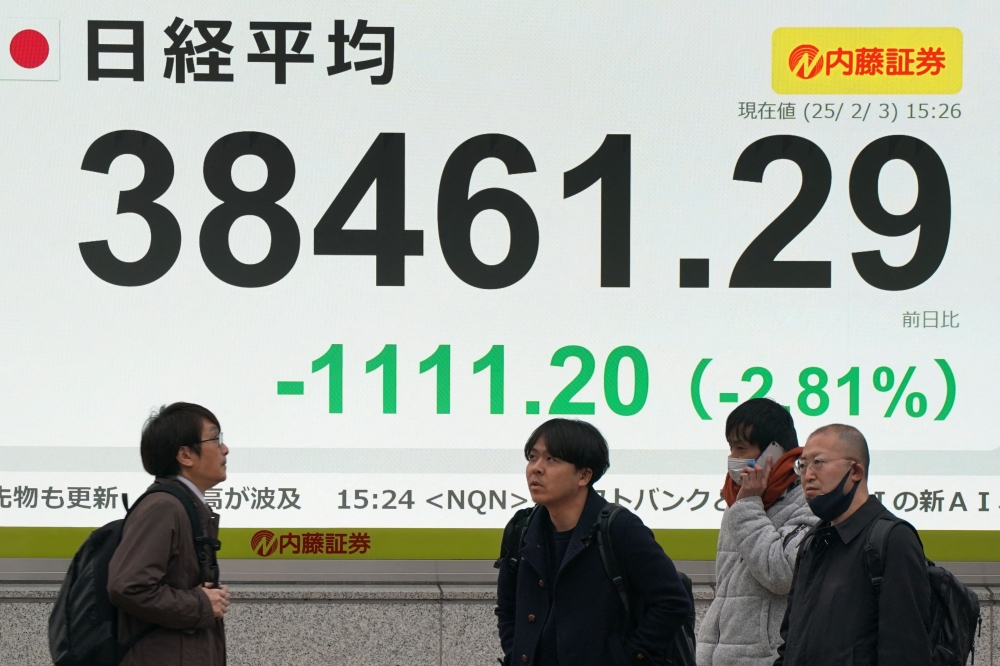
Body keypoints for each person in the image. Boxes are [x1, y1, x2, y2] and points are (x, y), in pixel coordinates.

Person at [495, 418, 692, 665]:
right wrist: (516, 654)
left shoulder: (620, 529)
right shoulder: (522, 528)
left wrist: (629, 658)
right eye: (532, 457)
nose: (536, 468)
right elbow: (507, 608)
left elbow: (672, 603)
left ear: (584, 475)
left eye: (552, 459)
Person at [774, 424, 931, 665]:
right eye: (802, 465)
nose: (807, 475)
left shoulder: (892, 539)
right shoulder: (812, 542)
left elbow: (905, 651)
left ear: (856, 471)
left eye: (818, 462)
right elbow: (790, 644)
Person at [697, 398, 818, 666]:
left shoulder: (806, 502)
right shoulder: (739, 503)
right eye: (730, 448)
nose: (733, 459)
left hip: (767, 659)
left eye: (741, 448)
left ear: (773, 452)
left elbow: (782, 575)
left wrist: (748, 506)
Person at [108, 403, 230, 665]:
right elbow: (128, 586)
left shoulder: (182, 505)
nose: (225, 449)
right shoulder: (164, 507)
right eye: (215, 438)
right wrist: (200, 604)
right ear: (185, 455)